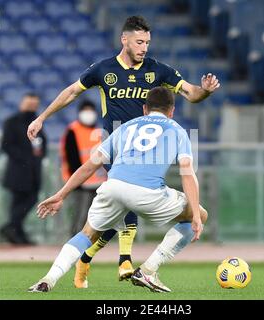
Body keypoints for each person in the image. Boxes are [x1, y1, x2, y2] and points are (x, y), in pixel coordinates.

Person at [27, 15, 219, 287]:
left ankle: (71, 267)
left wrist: (206, 91)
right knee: (133, 207)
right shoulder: (104, 70)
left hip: (130, 156)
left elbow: (192, 92)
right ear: (124, 39)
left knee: (107, 218)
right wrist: (42, 117)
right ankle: (134, 264)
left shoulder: (157, 70)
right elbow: (71, 92)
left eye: (148, 43)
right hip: (120, 151)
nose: (144, 48)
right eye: (139, 42)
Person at [28, 87, 208, 293]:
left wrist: (61, 195)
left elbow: (89, 165)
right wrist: (194, 215)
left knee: (87, 233)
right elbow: (187, 174)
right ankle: (149, 269)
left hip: (113, 187)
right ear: (172, 111)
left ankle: (48, 279)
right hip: (148, 193)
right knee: (201, 214)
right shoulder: (177, 130)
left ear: (144, 109)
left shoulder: (126, 127)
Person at [0, 93, 47, 245]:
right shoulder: (12, 122)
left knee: (30, 200)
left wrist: (37, 157)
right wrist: (26, 158)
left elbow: (42, 145)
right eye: (29, 104)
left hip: (34, 171)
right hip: (18, 172)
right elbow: (6, 145)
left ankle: (12, 228)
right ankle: (14, 230)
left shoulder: (37, 123)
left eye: (34, 105)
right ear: (22, 104)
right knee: (19, 202)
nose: (31, 108)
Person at [60, 100, 106, 237]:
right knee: (80, 214)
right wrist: (76, 181)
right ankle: (74, 240)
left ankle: (90, 240)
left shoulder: (99, 131)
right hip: (81, 182)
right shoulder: (72, 131)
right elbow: (71, 157)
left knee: (95, 216)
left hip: (99, 182)